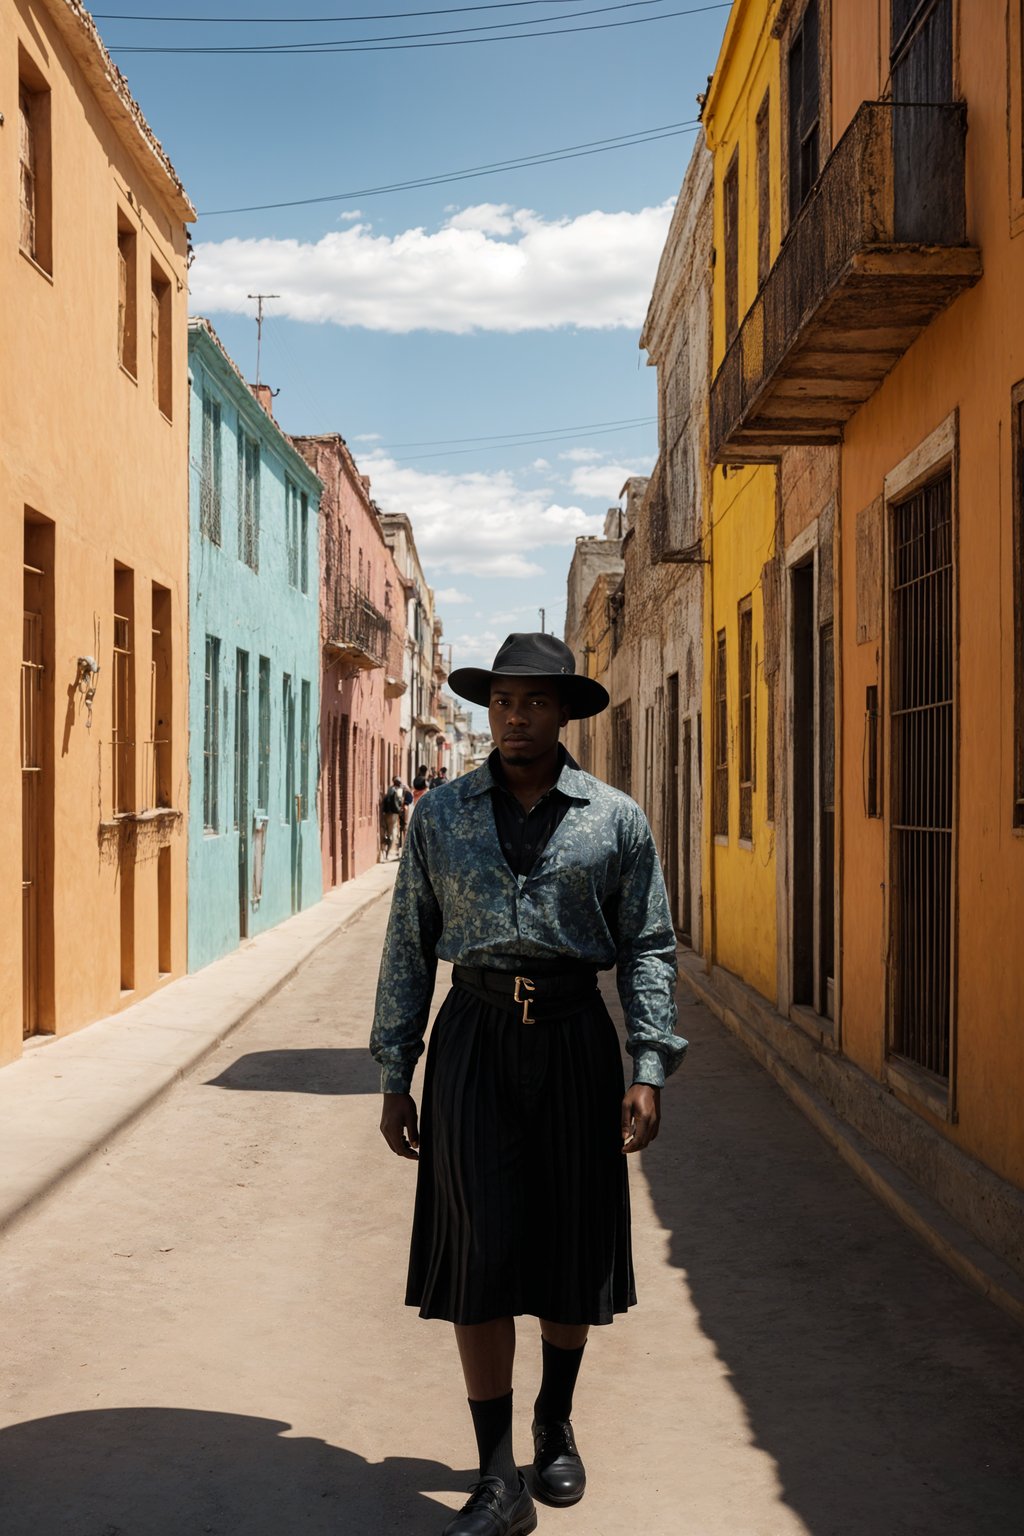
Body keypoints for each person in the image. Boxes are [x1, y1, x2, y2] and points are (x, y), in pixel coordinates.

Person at [370, 633, 685, 1536]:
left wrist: (649, 1063)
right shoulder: (440, 816)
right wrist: (398, 1070)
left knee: (568, 1244)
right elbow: (406, 943)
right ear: (487, 709)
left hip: (576, 1040)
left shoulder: (616, 819)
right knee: (478, 1249)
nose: (515, 715)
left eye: (535, 701)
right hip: (471, 1038)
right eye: (502, 700)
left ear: (564, 712)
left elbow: (649, 946)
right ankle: (498, 1473)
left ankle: (556, 1423)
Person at [381, 777, 405, 861]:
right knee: (392, 834)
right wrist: (399, 810)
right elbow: (397, 803)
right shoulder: (396, 791)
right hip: (393, 815)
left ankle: (385, 852)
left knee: (387, 832)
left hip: (386, 813)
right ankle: (387, 854)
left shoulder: (389, 789)